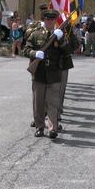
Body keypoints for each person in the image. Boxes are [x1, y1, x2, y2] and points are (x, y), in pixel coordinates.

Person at [24, 9, 64, 139]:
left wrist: (62, 40)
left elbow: (70, 50)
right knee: (39, 103)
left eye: (52, 20)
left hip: (54, 73)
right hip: (39, 73)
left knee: (53, 103)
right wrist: (34, 53)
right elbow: (26, 49)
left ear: (55, 21)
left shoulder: (60, 35)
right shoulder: (36, 35)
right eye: (47, 19)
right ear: (44, 20)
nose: (50, 22)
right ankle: (40, 127)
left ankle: (52, 128)